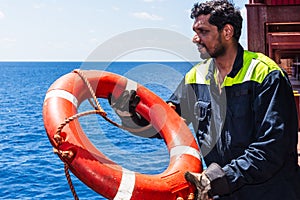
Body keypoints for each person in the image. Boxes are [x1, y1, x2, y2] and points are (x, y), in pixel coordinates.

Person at [167, 0, 300, 199]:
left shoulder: (266, 74)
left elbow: (273, 146)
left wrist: (221, 178)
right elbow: (167, 120)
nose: (195, 39)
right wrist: (133, 108)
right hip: (223, 192)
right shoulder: (196, 77)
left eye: (203, 31)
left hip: (271, 192)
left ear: (227, 32)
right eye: (195, 31)